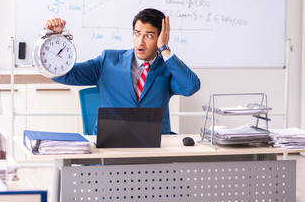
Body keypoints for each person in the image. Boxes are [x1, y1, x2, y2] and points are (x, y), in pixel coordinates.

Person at [45, 8, 201, 134]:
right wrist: (55, 39)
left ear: (160, 38)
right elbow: (62, 75)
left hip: (154, 149)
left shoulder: (167, 67)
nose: (141, 41)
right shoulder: (108, 61)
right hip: (111, 146)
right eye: (137, 33)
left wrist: (164, 49)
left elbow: (191, 87)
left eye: (149, 36)